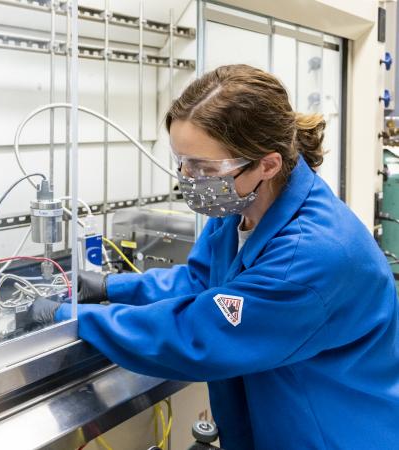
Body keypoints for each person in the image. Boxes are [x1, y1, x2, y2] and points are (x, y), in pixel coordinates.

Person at [31, 64, 399, 449]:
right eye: (183, 163)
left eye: (205, 167)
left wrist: (70, 319)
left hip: (334, 433)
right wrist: (110, 287)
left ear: (267, 164)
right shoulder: (243, 207)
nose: (189, 179)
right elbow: (201, 283)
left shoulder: (311, 254)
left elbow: (197, 334)